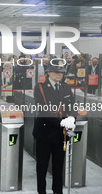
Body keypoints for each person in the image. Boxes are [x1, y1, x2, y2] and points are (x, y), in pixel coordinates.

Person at [33, 61, 78, 194]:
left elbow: (73, 105)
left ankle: (57, 191)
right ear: (48, 73)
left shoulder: (65, 87)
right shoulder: (40, 87)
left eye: (62, 72)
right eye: (57, 72)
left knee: (58, 167)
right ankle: (41, 192)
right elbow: (42, 110)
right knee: (42, 167)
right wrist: (60, 122)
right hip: (45, 133)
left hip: (61, 134)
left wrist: (72, 118)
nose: (60, 74)